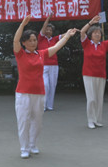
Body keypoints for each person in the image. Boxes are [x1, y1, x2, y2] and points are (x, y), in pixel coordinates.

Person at [13, 15, 77, 158]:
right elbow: (15, 40)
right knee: (23, 121)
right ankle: (24, 148)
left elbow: (56, 47)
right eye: (30, 40)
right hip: (23, 93)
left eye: (35, 40)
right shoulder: (20, 54)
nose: (33, 42)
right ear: (24, 43)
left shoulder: (41, 54)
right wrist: (22, 24)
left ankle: (32, 144)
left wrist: (67, 36)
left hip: (39, 93)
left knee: (38, 122)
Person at [37, 15, 61, 111]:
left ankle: (49, 105)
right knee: (45, 85)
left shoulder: (54, 39)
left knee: (52, 85)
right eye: (47, 29)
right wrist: (48, 18)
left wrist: (71, 31)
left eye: (50, 30)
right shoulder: (40, 38)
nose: (48, 31)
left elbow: (64, 36)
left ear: (52, 32)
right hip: (43, 65)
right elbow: (43, 27)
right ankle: (43, 105)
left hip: (54, 65)